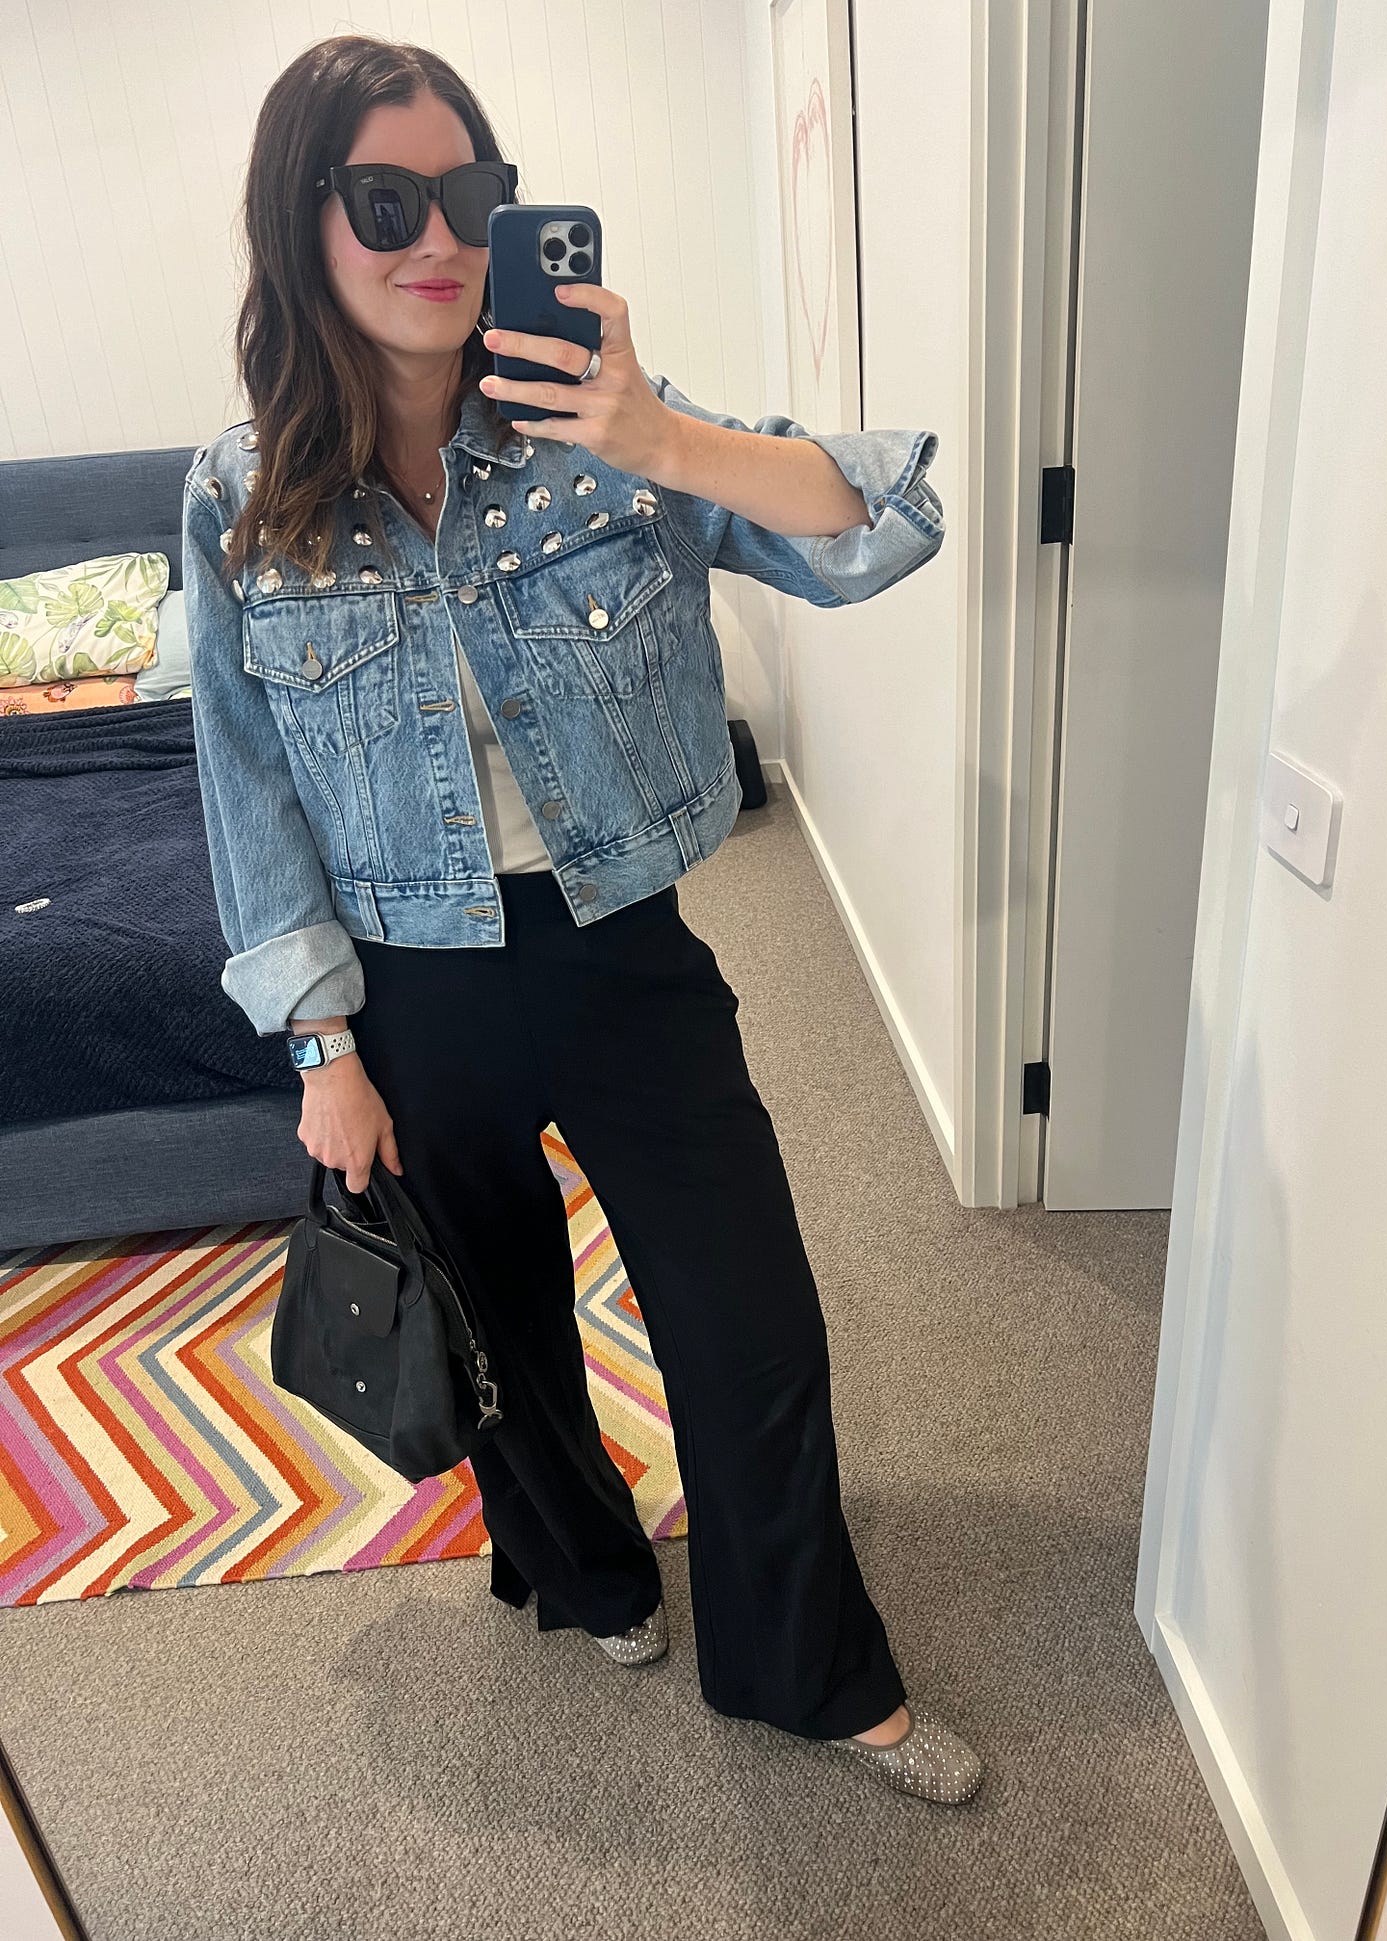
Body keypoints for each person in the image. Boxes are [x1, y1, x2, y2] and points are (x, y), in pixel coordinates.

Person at [181, 33, 982, 1808]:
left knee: (750, 1322)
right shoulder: (240, 495)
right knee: (505, 1335)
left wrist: (661, 435)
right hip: (411, 989)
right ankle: (591, 1573)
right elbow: (246, 789)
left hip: (623, 949)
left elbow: (883, 520)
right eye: (385, 199)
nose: (439, 238)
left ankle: (810, 1670)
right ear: (303, 222)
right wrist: (321, 1050)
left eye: (471, 194)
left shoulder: (602, 426)